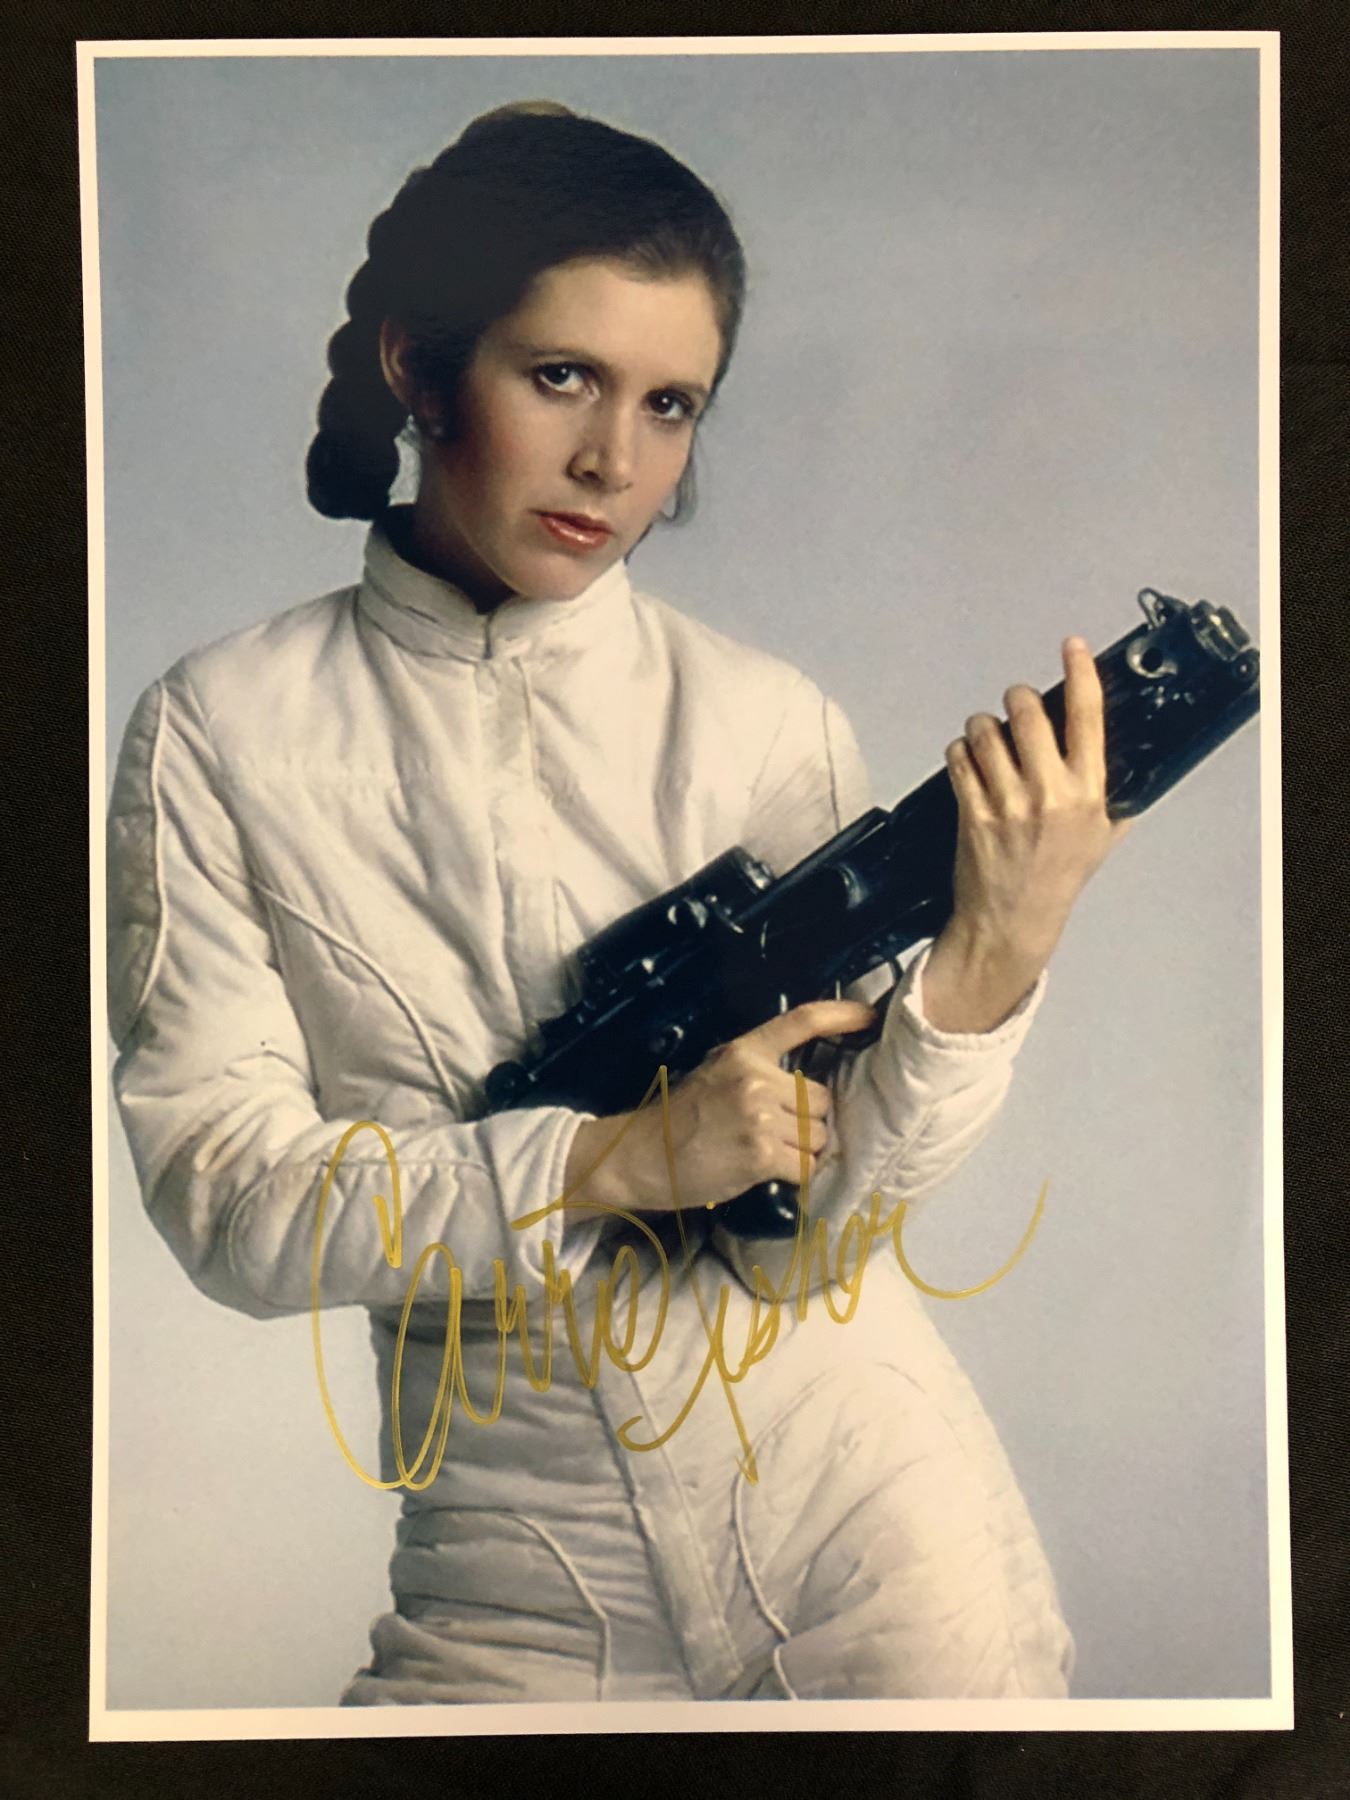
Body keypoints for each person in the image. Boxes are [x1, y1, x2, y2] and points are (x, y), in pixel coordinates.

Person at [107, 101, 1128, 1705]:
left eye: (670, 404)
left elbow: (812, 1246)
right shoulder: (215, 733)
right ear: (418, 365)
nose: (614, 461)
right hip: (511, 1577)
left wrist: (994, 957)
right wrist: (612, 1162)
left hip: (878, 1544)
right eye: (561, 377)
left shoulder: (761, 723)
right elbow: (228, 1199)